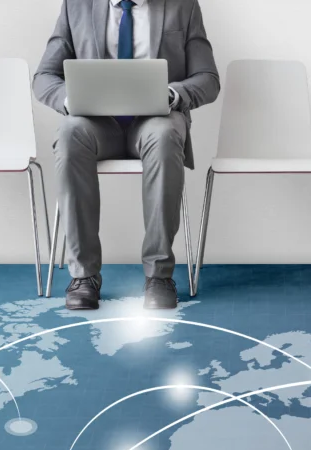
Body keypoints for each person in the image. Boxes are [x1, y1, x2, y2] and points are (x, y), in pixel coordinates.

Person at [33, 0, 220, 310]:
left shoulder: (182, 6)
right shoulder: (76, 6)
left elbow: (208, 79)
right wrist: (68, 99)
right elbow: (44, 76)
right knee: (69, 133)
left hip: (155, 120)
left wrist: (174, 94)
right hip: (95, 124)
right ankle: (84, 276)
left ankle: (159, 276)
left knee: (164, 134)